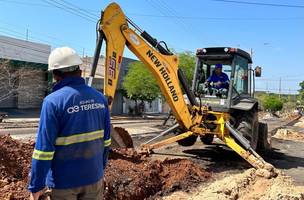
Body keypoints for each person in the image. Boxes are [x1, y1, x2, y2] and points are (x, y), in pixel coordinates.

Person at [28, 47, 111, 200]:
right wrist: (100, 169)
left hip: (62, 183)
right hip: (94, 178)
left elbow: (43, 151)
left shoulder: (52, 102)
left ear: (55, 74)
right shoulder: (100, 99)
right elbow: (106, 141)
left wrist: (36, 185)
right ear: (80, 70)